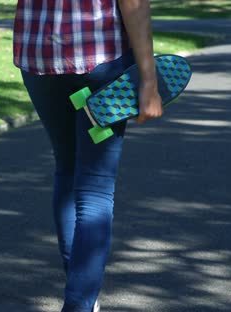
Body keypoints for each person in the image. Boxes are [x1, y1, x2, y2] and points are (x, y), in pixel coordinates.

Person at [13, 1, 161, 311]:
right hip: (101, 61)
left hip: (40, 58)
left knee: (68, 170)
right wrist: (149, 80)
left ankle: (81, 296)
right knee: (95, 187)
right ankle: (80, 302)